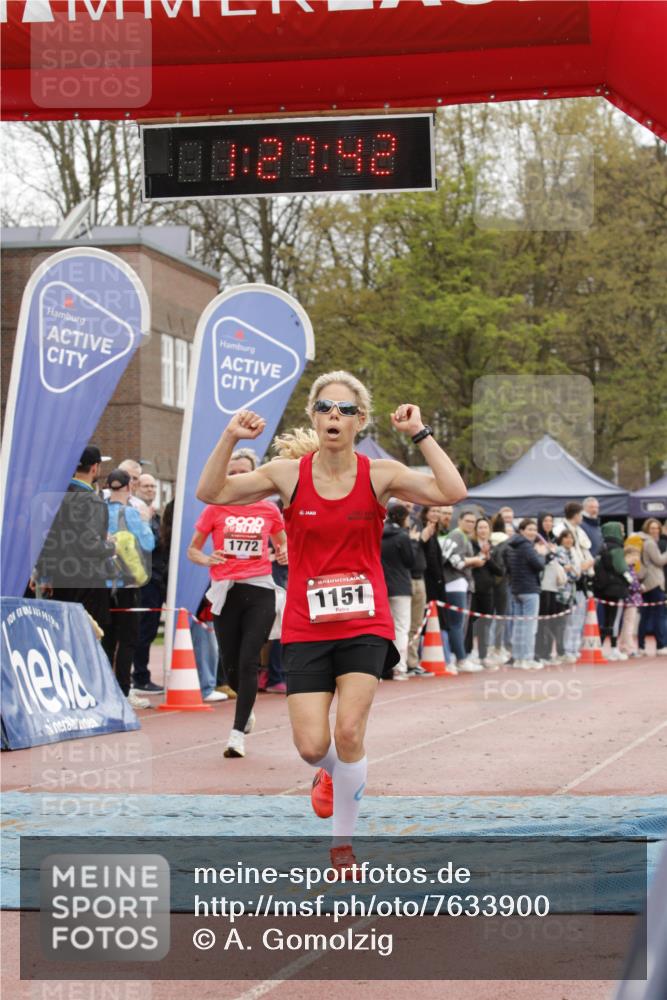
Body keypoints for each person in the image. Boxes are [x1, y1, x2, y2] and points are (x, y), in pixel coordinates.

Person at [196, 370, 466, 876]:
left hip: (366, 623)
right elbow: (210, 492)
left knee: (348, 730)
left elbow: (451, 491)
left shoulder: (380, 474)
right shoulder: (286, 474)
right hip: (307, 625)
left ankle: (343, 846)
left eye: (344, 409)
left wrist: (420, 434)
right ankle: (328, 775)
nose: (333, 416)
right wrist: (231, 435)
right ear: (313, 418)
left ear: (360, 420)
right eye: (324, 408)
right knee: (312, 746)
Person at [187, 448, 288, 753]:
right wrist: (207, 558)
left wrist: (283, 553)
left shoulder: (269, 510)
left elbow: (283, 545)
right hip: (225, 590)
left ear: (255, 476)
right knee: (231, 668)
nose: (238, 478)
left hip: (260, 589)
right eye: (232, 473)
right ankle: (247, 705)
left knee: (248, 659)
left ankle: (236, 735)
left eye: (244, 472)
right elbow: (193, 550)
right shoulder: (215, 508)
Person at [32, 444, 115, 629]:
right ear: (95, 467)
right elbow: (90, 546)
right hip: (88, 582)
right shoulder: (93, 501)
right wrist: (111, 546)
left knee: (63, 636)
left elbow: (45, 540)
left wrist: (44, 575)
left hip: (60, 580)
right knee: (88, 640)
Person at [102, 469, 156, 710]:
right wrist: (145, 521)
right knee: (128, 640)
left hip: (102, 583)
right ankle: (124, 691)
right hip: (128, 583)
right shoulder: (132, 514)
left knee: (106, 639)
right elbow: (148, 543)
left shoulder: (98, 510)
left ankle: (104, 689)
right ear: (129, 487)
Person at [131, 474, 167, 693]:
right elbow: (146, 544)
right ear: (135, 487)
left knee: (150, 629)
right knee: (141, 630)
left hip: (157, 579)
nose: (150, 489)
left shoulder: (156, 515)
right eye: (146, 486)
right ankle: (140, 677)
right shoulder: (135, 514)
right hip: (143, 579)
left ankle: (141, 675)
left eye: (153, 486)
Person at [441, 509, 485, 672]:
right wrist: (475, 560)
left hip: (461, 583)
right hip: (455, 583)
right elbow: (455, 561)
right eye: (468, 521)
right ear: (459, 521)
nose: (471, 524)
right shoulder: (457, 535)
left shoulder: (462, 536)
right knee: (457, 624)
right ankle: (459, 658)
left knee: (460, 624)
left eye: (473, 522)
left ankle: (458, 657)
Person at [554, 502, 595, 662]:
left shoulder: (580, 531)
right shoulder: (559, 529)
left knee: (579, 616)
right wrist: (579, 568)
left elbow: (585, 550)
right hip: (567, 582)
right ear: (576, 514)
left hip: (582, 578)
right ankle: (567, 649)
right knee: (569, 618)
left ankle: (574, 647)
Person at [505, 518, 547, 669]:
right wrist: (541, 554)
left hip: (516, 589)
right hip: (529, 589)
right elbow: (539, 565)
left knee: (518, 625)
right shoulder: (527, 547)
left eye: (534, 529)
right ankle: (527, 658)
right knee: (529, 625)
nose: (533, 532)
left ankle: (517, 657)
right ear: (522, 531)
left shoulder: (512, 545)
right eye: (529, 529)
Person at [381, 504, 415, 680]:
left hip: (381, 585)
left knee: (382, 629)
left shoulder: (378, 533)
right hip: (401, 586)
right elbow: (410, 561)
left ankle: (380, 669)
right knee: (401, 628)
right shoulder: (403, 536)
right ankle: (399, 668)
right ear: (403, 517)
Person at [466, 516, 503, 669]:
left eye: (485, 527)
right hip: (472, 589)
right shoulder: (471, 545)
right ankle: (467, 654)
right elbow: (467, 562)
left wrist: (488, 558)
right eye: (480, 527)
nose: (482, 530)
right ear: (476, 530)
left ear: (490, 530)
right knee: (469, 623)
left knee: (485, 624)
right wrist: (479, 556)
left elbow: (500, 570)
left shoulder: (494, 547)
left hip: (488, 590)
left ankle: (483, 655)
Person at [536, 528, 577, 663]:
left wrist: (571, 571)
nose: (569, 540)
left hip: (568, 594)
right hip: (557, 593)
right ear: (560, 539)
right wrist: (568, 570)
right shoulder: (558, 552)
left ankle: (559, 651)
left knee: (562, 625)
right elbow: (564, 571)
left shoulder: (573, 553)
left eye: (571, 537)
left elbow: (576, 574)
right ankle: (552, 652)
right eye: (566, 537)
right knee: (554, 624)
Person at [593, 522, 632, 660]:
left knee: (603, 619)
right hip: (616, 588)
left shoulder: (600, 547)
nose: (623, 533)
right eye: (621, 530)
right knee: (614, 620)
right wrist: (630, 580)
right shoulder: (617, 548)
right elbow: (621, 568)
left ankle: (600, 647)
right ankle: (614, 649)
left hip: (602, 588)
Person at [637, 518, 667, 656]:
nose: (655, 531)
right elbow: (659, 560)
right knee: (658, 615)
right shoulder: (650, 543)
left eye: (657, 528)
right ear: (647, 529)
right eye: (652, 528)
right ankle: (661, 646)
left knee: (645, 615)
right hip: (654, 582)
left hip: (645, 583)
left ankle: (641, 646)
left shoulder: (643, 541)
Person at [618, 544, 643, 657]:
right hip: (630, 599)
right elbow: (631, 584)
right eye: (636, 555)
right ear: (629, 554)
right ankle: (629, 648)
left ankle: (624, 646)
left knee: (627, 623)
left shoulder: (630, 567)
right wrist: (639, 588)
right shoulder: (627, 567)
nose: (638, 558)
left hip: (631, 599)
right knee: (629, 624)